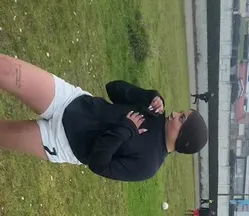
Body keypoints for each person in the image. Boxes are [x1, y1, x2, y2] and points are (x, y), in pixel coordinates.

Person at [0, 54, 207, 182]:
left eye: (181, 118)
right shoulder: (155, 111)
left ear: (183, 138)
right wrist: (147, 96)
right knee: (8, 70)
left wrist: (125, 130)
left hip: (62, 142)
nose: (175, 113)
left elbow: (99, 165)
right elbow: (113, 88)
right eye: (181, 112)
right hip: (72, 101)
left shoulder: (148, 166)